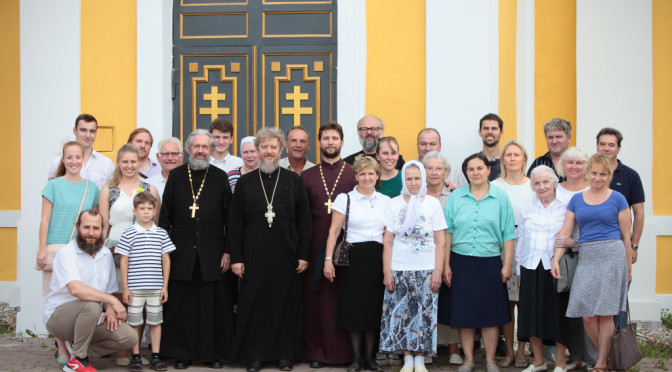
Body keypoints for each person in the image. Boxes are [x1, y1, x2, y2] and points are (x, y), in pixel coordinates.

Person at [228, 128, 312, 372]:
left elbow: (304, 221)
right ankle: (255, 355)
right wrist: (237, 258)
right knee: (255, 304)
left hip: (286, 253)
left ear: (280, 150)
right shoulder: (245, 182)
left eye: (273, 147)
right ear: (257, 150)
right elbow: (235, 223)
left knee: (284, 304)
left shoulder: (293, 180)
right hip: (253, 253)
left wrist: (303, 254)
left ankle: (284, 354)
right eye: (263, 147)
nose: (268, 151)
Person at [159, 129, 235, 369]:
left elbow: (229, 219)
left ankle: (210, 354)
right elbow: (165, 218)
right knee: (183, 308)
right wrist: (164, 253)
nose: (200, 151)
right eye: (196, 146)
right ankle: (182, 354)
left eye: (205, 147)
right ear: (188, 150)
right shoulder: (177, 176)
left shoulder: (220, 177)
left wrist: (227, 251)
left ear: (211, 151)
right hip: (181, 254)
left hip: (212, 255)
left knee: (209, 308)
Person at [552, 154, 632, 372]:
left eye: (603, 174)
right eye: (594, 173)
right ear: (589, 173)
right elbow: (565, 232)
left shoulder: (618, 199)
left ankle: (601, 363)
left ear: (609, 175)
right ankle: (606, 356)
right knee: (587, 316)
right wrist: (556, 259)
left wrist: (628, 268)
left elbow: (627, 237)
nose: (598, 178)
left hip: (612, 256)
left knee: (606, 315)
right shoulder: (577, 200)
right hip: (587, 258)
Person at [443, 153, 515, 372]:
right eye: (471, 169)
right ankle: (468, 360)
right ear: (466, 173)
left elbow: (508, 233)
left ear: (487, 170)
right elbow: (447, 233)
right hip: (461, 261)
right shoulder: (456, 197)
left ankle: (491, 360)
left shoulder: (501, 197)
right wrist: (446, 265)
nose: (475, 172)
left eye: (480, 168)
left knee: (490, 313)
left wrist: (506, 265)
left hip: (490, 261)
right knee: (464, 313)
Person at [44, 210, 137, 372]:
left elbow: (109, 291)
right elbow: (76, 289)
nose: (91, 233)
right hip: (59, 318)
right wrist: (113, 301)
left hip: (90, 318)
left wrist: (109, 310)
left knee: (129, 338)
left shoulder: (106, 254)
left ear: (102, 230)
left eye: (96, 228)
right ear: (77, 227)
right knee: (92, 305)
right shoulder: (66, 253)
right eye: (86, 227)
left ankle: (75, 351)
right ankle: (79, 359)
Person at [323, 155, 391, 372]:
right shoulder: (345, 199)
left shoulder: (386, 201)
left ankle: (370, 359)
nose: (367, 177)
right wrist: (328, 261)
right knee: (353, 309)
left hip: (377, 257)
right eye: (362, 173)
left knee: (372, 309)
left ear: (377, 175)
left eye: (371, 173)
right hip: (352, 259)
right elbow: (334, 231)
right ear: (356, 176)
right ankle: (354, 359)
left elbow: (389, 235)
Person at [379, 160, 446, 372]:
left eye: (417, 178)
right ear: (403, 180)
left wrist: (438, 270)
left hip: (427, 268)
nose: (414, 182)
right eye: (409, 178)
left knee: (424, 314)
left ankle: (420, 358)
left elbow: (441, 241)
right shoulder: (394, 203)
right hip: (399, 267)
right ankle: (407, 359)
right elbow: (388, 240)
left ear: (423, 179)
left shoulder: (433, 204)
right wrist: (387, 272)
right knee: (402, 315)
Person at [38, 141, 101, 365]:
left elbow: (94, 219)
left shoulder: (91, 188)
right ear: (63, 160)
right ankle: (62, 348)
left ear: (83, 160)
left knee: (74, 294)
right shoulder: (53, 185)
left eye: (77, 157)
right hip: (56, 246)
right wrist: (41, 248)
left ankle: (77, 343)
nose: (74, 161)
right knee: (54, 296)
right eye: (69, 157)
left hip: (79, 249)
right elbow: (45, 218)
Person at [301, 121, 358, 367]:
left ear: (342, 142)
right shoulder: (307, 176)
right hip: (315, 246)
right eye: (326, 138)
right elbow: (300, 217)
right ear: (320, 142)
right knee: (318, 302)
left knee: (344, 300)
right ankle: (317, 354)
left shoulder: (354, 172)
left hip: (348, 247)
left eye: (335, 138)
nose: (330, 142)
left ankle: (348, 354)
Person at [98, 144, 160, 367]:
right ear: (119, 163)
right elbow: (103, 224)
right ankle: (122, 350)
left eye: (133, 161)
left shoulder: (149, 188)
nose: (129, 166)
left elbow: (155, 222)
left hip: (142, 250)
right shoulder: (109, 189)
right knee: (117, 297)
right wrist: (103, 250)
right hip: (115, 248)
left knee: (138, 299)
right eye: (125, 162)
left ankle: (135, 347)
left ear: (139, 162)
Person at [516, 166, 569, 372]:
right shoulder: (528, 204)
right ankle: (538, 361)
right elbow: (521, 237)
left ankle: (561, 362)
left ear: (555, 182)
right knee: (530, 314)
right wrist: (519, 270)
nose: (542, 186)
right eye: (537, 183)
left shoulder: (565, 205)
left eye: (546, 182)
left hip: (555, 265)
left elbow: (572, 235)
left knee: (556, 313)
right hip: (530, 264)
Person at [117, 192, 176, 372]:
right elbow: (124, 261)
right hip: (135, 287)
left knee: (155, 321)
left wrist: (164, 286)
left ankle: (155, 356)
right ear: (135, 211)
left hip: (156, 287)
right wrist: (125, 288)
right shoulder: (128, 233)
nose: (146, 212)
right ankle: (135, 356)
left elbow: (166, 259)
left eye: (149, 208)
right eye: (142, 208)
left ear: (154, 210)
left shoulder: (161, 233)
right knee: (135, 322)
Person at [596, 127, 645, 330]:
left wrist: (633, 246)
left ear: (618, 148)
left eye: (611, 145)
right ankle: (595, 353)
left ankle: (618, 351)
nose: (606, 148)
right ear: (597, 145)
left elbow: (639, 214)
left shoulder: (630, 176)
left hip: (619, 247)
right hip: (592, 249)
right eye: (602, 144)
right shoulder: (590, 173)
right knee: (594, 305)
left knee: (617, 303)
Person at [551, 147, 595, 370]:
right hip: (561, 256)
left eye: (579, 162)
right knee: (562, 307)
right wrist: (556, 258)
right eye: (570, 163)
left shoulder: (592, 190)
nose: (574, 167)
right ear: (562, 165)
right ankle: (561, 357)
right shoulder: (555, 189)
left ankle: (587, 357)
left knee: (587, 309)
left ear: (586, 165)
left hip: (589, 256)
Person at [491, 140, 533, 368]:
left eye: (517, 154)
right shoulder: (496, 186)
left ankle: (522, 351)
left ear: (524, 159)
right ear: (503, 159)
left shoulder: (533, 185)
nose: (513, 158)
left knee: (525, 301)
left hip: (528, 246)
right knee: (506, 302)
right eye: (509, 154)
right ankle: (508, 350)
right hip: (501, 246)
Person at [422, 151, 462, 366]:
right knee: (426, 302)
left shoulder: (455, 195)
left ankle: (454, 348)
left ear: (446, 172)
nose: (434, 172)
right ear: (424, 171)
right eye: (430, 168)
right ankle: (427, 346)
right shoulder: (418, 195)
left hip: (449, 254)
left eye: (439, 168)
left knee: (448, 300)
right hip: (423, 255)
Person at [48, 114, 114, 190]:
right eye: (83, 130)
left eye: (92, 131)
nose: (88, 135)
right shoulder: (57, 162)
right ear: (75, 131)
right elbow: (51, 194)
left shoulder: (107, 164)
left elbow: (111, 197)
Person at [476, 114, 504, 181]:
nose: (490, 132)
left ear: (501, 133)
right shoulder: (472, 162)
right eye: (486, 128)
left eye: (494, 129)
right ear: (480, 132)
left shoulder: (510, 162)